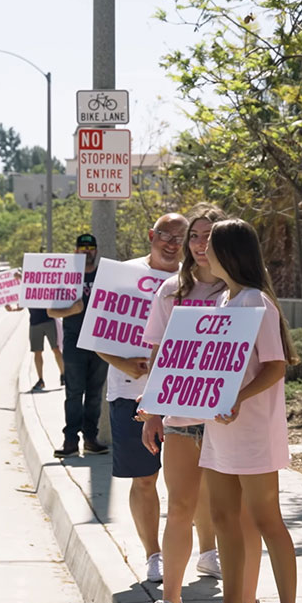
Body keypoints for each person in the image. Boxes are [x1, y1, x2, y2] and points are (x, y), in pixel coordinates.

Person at [136, 206, 263, 603]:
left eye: (210, 236)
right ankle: (170, 601)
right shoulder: (171, 291)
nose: (200, 244)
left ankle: (248, 601)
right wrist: (152, 409)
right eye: (195, 235)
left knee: (240, 515)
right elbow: (159, 355)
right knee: (181, 508)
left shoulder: (241, 293)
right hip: (181, 417)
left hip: (228, 422)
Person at [190, 218, 302, 603]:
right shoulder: (221, 303)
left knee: (267, 523)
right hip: (220, 434)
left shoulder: (258, 303)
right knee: (223, 522)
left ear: (229, 253)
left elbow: (275, 367)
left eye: (210, 245)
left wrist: (238, 397)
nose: (203, 251)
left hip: (253, 433)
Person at [96, 212, 188, 583]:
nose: (172, 242)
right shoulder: (122, 276)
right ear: (152, 234)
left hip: (184, 398)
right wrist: (126, 364)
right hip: (129, 395)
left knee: (190, 483)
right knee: (145, 478)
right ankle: (154, 555)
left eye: (180, 237)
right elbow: (97, 335)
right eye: (166, 234)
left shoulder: (196, 278)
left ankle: (208, 550)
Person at [49, 234, 109, 459]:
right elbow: (51, 312)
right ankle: (70, 441)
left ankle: (91, 440)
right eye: (82, 247)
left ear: (96, 250)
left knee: (94, 394)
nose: (86, 251)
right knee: (74, 393)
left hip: (100, 341)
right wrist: (71, 311)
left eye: (90, 247)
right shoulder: (66, 277)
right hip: (74, 342)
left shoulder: (105, 275)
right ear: (75, 250)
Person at [5, 299, 65, 392]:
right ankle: (41, 380)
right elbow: (21, 306)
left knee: (55, 349)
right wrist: (12, 309)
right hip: (35, 323)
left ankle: (63, 375)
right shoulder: (26, 289)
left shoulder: (45, 285)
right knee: (37, 352)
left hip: (49, 320)